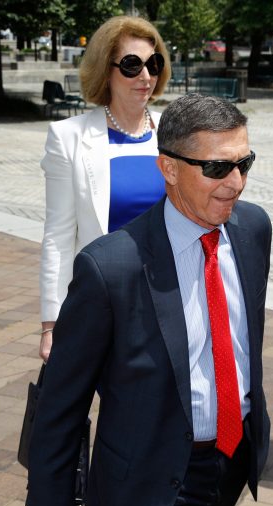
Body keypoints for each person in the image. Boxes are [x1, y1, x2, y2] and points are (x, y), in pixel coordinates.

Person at [26, 94, 271, 506]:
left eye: (243, 164)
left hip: (234, 462)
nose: (236, 183)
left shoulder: (253, 229)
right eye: (217, 168)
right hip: (149, 483)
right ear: (169, 168)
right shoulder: (110, 268)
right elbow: (61, 408)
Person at [39, 15, 171, 362]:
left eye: (153, 64)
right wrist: (51, 323)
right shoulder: (68, 137)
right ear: (105, 71)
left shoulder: (175, 132)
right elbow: (58, 235)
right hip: (104, 303)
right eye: (132, 65)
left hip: (169, 299)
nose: (146, 76)